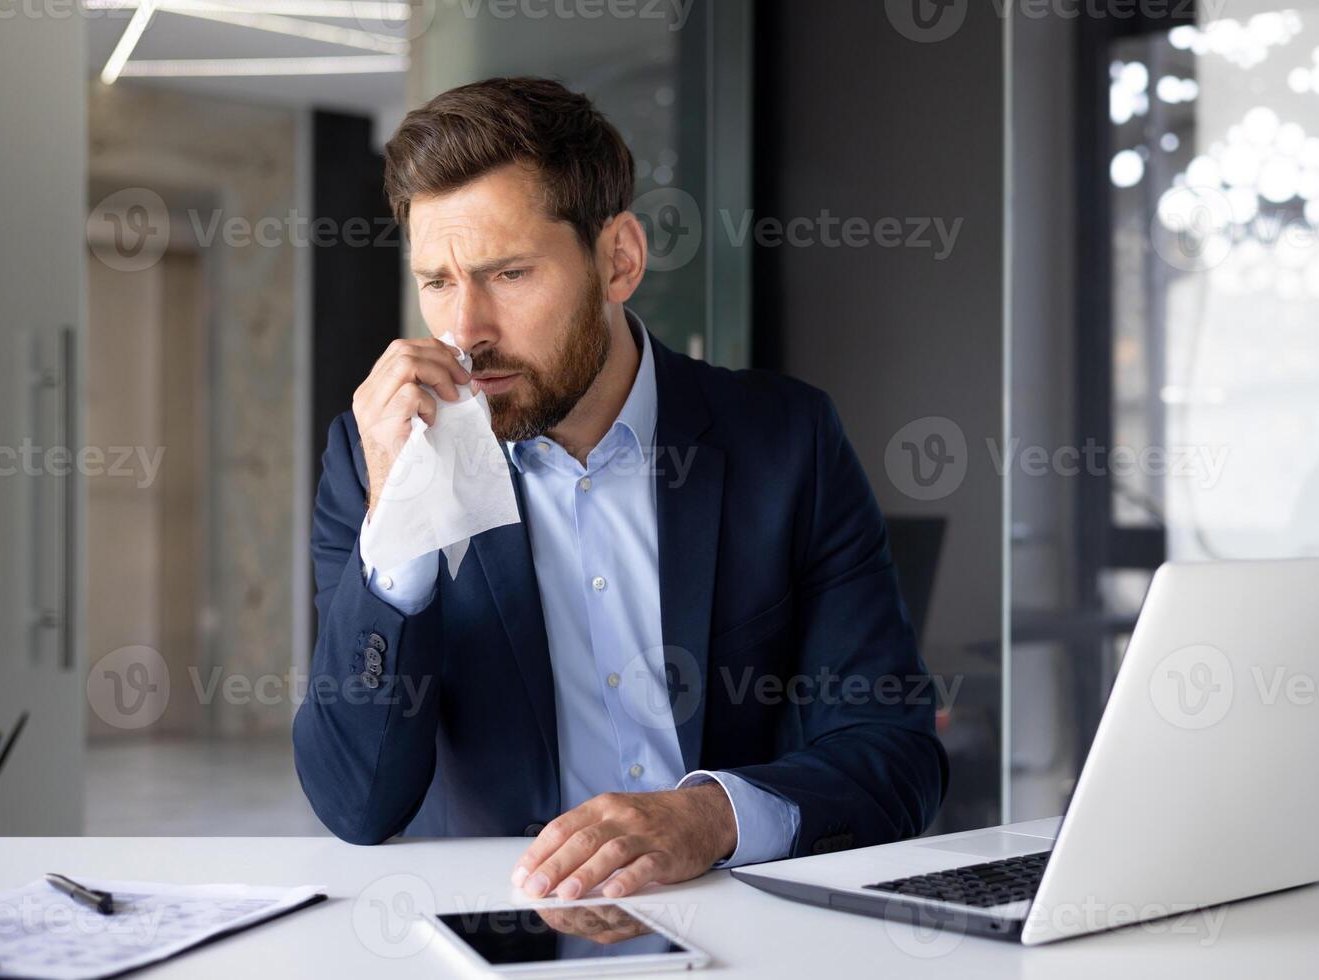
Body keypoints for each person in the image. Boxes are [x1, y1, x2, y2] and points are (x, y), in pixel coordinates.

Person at [293, 76, 947, 903]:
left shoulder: (785, 442)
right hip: (493, 931)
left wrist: (708, 819)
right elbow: (355, 802)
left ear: (620, 261)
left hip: (739, 926)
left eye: (509, 273)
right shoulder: (374, 457)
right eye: (437, 282)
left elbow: (895, 753)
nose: (464, 333)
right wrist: (399, 526)